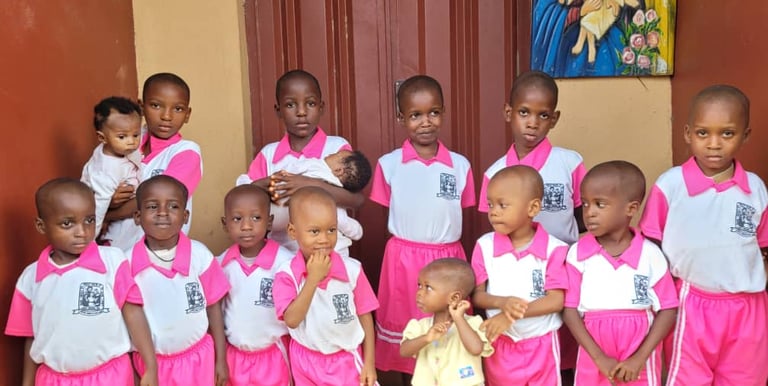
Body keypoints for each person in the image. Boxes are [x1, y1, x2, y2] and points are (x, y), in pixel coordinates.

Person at [639, 85, 768, 385]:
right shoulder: (670, 186)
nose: (714, 144)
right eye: (702, 133)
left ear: (745, 135)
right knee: (688, 378)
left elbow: (762, 246)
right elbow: (649, 246)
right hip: (691, 303)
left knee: (746, 378)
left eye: (727, 133)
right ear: (687, 133)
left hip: (748, 308)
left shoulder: (756, 189)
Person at [369, 75, 476, 379]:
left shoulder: (460, 165)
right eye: (415, 115)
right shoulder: (389, 165)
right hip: (403, 261)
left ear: (443, 112)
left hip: (446, 260)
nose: (425, 122)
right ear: (401, 118)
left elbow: (462, 207)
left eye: (433, 112)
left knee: (447, 332)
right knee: (409, 334)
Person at [5, 178, 158, 386]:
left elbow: (134, 314)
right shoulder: (30, 279)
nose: (82, 232)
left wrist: (150, 365)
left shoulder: (112, 261)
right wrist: (27, 382)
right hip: (54, 379)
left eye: (89, 220)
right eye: (67, 223)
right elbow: (32, 337)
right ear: (41, 226)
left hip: (111, 377)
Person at [564, 161, 678, 385]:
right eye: (585, 204)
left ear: (631, 208)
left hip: (639, 345)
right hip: (593, 345)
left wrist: (639, 358)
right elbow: (569, 311)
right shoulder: (577, 254)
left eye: (600, 204)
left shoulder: (650, 254)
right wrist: (598, 357)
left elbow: (668, 309)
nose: (590, 213)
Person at [238, 69, 365, 250]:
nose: (302, 112)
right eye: (290, 105)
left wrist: (307, 184)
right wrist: (269, 184)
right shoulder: (269, 154)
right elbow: (245, 195)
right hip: (281, 253)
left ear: (321, 107)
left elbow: (357, 200)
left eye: (311, 103)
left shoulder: (337, 149)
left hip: (330, 250)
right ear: (278, 110)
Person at [128, 175, 231, 385]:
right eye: (152, 206)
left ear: (185, 216)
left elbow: (214, 309)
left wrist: (221, 359)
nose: (163, 213)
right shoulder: (126, 263)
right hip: (152, 366)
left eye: (173, 206)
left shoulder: (200, 255)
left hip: (198, 360)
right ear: (137, 216)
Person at [471, 165, 569, 385]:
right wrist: (502, 303)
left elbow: (556, 300)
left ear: (533, 207)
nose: (493, 211)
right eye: (490, 204)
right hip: (499, 341)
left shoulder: (554, 249)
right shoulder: (484, 246)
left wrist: (510, 315)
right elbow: (477, 296)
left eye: (503, 205)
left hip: (541, 343)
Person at [272, 187, 378, 385]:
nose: (324, 239)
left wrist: (369, 362)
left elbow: (366, 316)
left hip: (345, 360)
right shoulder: (286, 275)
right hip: (305, 361)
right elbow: (292, 320)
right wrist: (312, 279)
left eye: (331, 230)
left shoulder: (352, 270)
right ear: (293, 232)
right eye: (314, 231)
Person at [106, 72, 202, 236]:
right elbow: (97, 186)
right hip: (112, 247)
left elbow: (157, 201)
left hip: (157, 252)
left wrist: (106, 215)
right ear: (141, 108)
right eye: (156, 106)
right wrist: (108, 198)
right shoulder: (123, 142)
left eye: (178, 109)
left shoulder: (186, 153)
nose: (166, 116)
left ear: (187, 114)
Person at [217, 184, 294, 386]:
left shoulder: (285, 263)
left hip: (274, 356)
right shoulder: (221, 264)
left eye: (256, 218)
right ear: (225, 224)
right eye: (237, 218)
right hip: (234, 356)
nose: (247, 226)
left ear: (269, 222)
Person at [239, 149, 372, 258]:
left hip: (277, 205)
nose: (330, 153)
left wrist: (282, 176)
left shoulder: (315, 164)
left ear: (339, 171)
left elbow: (291, 169)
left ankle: (244, 186)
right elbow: (341, 219)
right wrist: (356, 231)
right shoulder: (334, 196)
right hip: (282, 215)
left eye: (335, 155)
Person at [400, 258, 493, 386]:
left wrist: (459, 318)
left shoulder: (473, 323)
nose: (420, 293)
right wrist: (426, 338)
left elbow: (476, 349)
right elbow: (404, 351)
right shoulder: (420, 326)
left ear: (454, 297)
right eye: (419, 285)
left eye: (428, 288)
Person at [81, 96, 144, 251]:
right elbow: (99, 206)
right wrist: (90, 239)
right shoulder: (105, 170)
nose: (131, 141)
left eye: (136, 135)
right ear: (102, 137)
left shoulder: (124, 150)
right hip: (100, 214)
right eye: (122, 137)